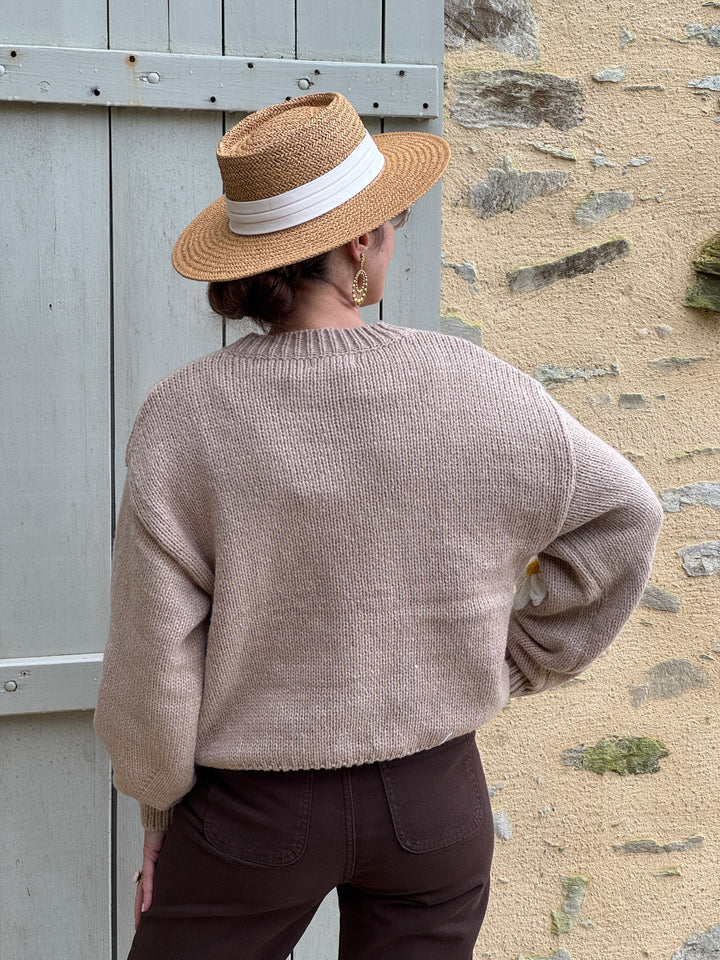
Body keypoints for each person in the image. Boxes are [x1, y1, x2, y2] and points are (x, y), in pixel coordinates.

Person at [94, 91, 663, 960]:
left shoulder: (186, 418)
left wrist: (157, 807)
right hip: (435, 800)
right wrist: (516, 661)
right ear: (359, 245)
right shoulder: (481, 389)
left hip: (253, 815)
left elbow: (153, 657)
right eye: (390, 223)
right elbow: (628, 517)